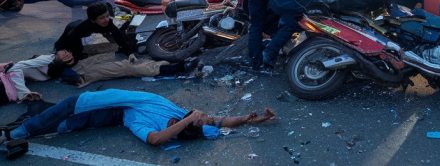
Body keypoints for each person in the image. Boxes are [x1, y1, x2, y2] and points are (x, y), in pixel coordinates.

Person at [1, 88, 276, 151]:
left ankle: (11, 136)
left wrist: (188, 119)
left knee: (55, 122)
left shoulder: (151, 125)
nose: (203, 115)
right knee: (52, 118)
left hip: (90, 105)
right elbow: (219, 121)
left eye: (198, 119)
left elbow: (155, 141)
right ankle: (32, 109)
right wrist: (250, 119)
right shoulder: (180, 115)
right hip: (105, 106)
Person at [4, 50, 198, 102]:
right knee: (125, 68)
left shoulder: (49, 59)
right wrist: (24, 93)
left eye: (65, 53)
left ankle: (171, 65)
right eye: (63, 54)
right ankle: (172, 68)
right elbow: (16, 68)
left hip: (79, 68)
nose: (66, 54)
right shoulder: (43, 62)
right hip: (80, 73)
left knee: (124, 63)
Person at [54, 2, 135, 60]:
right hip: (73, 28)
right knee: (76, 52)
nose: (106, 19)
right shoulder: (81, 28)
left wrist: (129, 53)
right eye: (102, 17)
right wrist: (60, 50)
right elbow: (63, 41)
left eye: (107, 16)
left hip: (91, 28)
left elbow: (119, 37)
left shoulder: (108, 22)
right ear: (93, 20)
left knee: (119, 36)